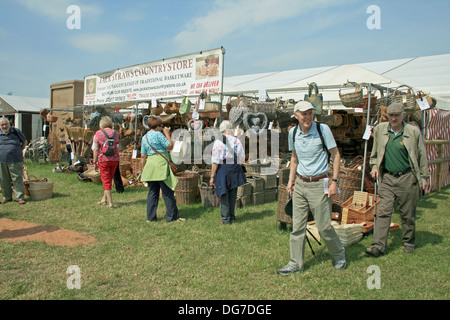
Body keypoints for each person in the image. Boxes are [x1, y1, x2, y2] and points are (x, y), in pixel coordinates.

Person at [277, 101, 346, 275]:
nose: (307, 117)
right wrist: (291, 181)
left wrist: (334, 181)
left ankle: (339, 254)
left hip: (319, 184)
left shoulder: (323, 130)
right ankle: (295, 263)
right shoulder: (293, 133)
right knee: (297, 227)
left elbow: (336, 156)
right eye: (303, 114)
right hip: (300, 184)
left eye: (310, 113)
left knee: (323, 227)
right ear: (296, 116)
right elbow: (294, 159)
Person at [366, 103, 429, 256]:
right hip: (387, 178)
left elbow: (421, 155)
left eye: (396, 115)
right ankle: (378, 246)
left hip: (407, 178)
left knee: (407, 214)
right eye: (390, 115)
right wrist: (374, 167)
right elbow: (374, 155)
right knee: (384, 212)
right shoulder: (381, 130)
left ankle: (408, 241)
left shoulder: (413, 132)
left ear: (403, 115)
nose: (393, 118)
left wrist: (423, 177)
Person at [140, 116, 183, 222]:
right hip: (161, 165)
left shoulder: (144, 137)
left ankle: (150, 217)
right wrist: (167, 133)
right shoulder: (159, 134)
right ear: (157, 126)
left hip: (150, 165)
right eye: (161, 125)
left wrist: (142, 170)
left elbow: (142, 156)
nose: (163, 127)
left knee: (152, 192)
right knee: (167, 192)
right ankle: (171, 217)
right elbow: (169, 146)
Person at [209, 120, 246, 225]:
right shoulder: (236, 141)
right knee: (232, 195)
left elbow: (215, 161)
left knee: (223, 194)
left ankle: (225, 219)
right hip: (234, 168)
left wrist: (212, 176)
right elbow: (242, 158)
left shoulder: (218, 142)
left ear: (221, 130)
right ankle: (232, 216)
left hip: (223, 169)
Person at [93, 116, 120, 209]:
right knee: (109, 178)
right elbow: (117, 146)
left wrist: (94, 161)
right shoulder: (116, 133)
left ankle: (110, 204)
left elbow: (96, 149)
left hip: (103, 159)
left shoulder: (98, 133)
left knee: (106, 180)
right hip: (115, 159)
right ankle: (103, 199)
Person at [0, 117, 27, 204]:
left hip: (15, 159)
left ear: (9, 124)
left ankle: (19, 198)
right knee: (4, 179)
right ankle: (7, 197)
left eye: (6, 124)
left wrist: (18, 150)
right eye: (2, 125)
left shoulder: (16, 131)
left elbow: (24, 142)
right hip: (2, 160)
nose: (4, 126)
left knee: (17, 178)